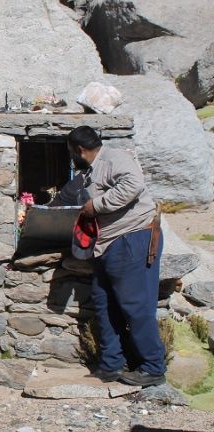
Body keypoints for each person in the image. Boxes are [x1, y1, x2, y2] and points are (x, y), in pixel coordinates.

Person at [60, 126, 165, 387]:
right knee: (104, 302)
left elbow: (133, 184)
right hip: (108, 244)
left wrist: (96, 206)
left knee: (136, 305)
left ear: (80, 151)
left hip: (132, 238)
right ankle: (111, 364)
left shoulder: (114, 158)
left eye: (73, 153)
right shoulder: (91, 172)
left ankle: (153, 367)